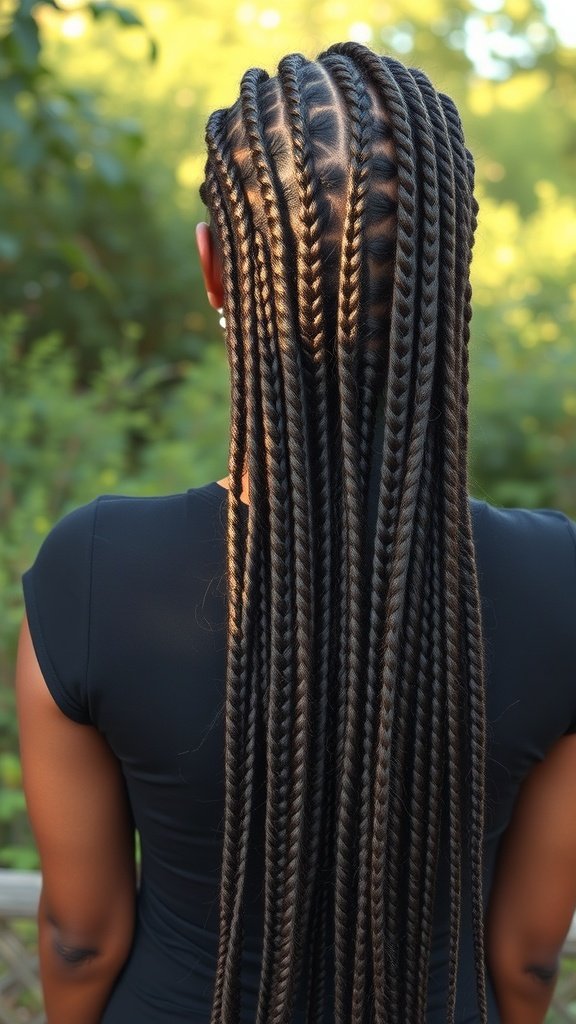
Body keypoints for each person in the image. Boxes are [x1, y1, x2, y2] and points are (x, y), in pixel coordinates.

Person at [15, 41, 576, 1024]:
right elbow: (526, 958)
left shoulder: (94, 571)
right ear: (451, 272)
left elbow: (79, 936)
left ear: (215, 270)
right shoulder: (559, 581)